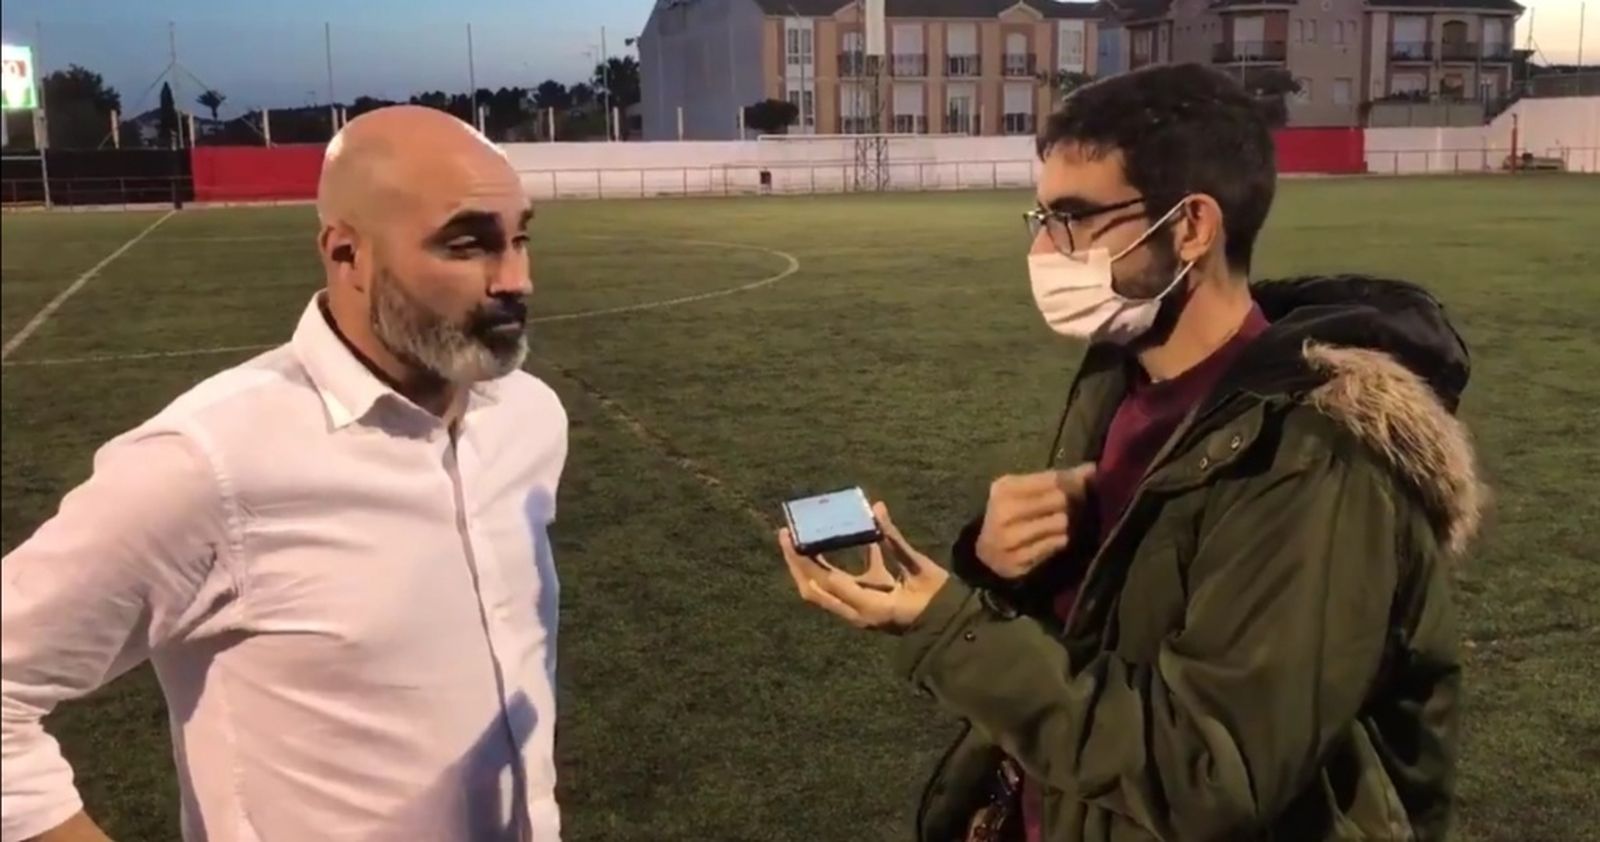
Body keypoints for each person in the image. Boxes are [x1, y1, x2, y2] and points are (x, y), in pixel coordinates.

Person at [780, 64, 1482, 842]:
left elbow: (1206, 774)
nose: (1043, 248)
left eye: (1073, 218)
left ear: (1191, 228)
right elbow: (1103, 633)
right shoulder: (1122, 380)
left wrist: (949, 629)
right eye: (1040, 217)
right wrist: (997, 568)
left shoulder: (1315, 461)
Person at [1, 105, 567, 842]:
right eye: (468, 244)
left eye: (521, 237)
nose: (517, 279)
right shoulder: (207, 462)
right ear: (347, 254)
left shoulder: (530, 417)